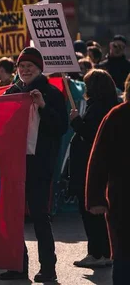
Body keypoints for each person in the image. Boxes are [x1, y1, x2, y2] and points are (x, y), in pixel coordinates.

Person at [1, 47, 68, 283]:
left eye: (30, 66)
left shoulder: (52, 93)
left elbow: (60, 128)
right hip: (14, 164)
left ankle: (48, 268)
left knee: (40, 217)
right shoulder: (12, 91)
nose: (25, 70)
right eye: (21, 66)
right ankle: (18, 266)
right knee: (13, 217)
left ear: (39, 69)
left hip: (39, 164)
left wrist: (43, 107)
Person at [68, 69, 118, 268]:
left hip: (89, 166)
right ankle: (103, 251)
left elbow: (92, 135)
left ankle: (97, 252)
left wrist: (76, 121)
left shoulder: (98, 108)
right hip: (99, 166)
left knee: (90, 211)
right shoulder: (108, 106)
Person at [86, 73, 130, 285]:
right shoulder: (117, 115)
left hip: (121, 195)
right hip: (123, 197)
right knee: (124, 255)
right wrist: (95, 198)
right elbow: (99, 159)